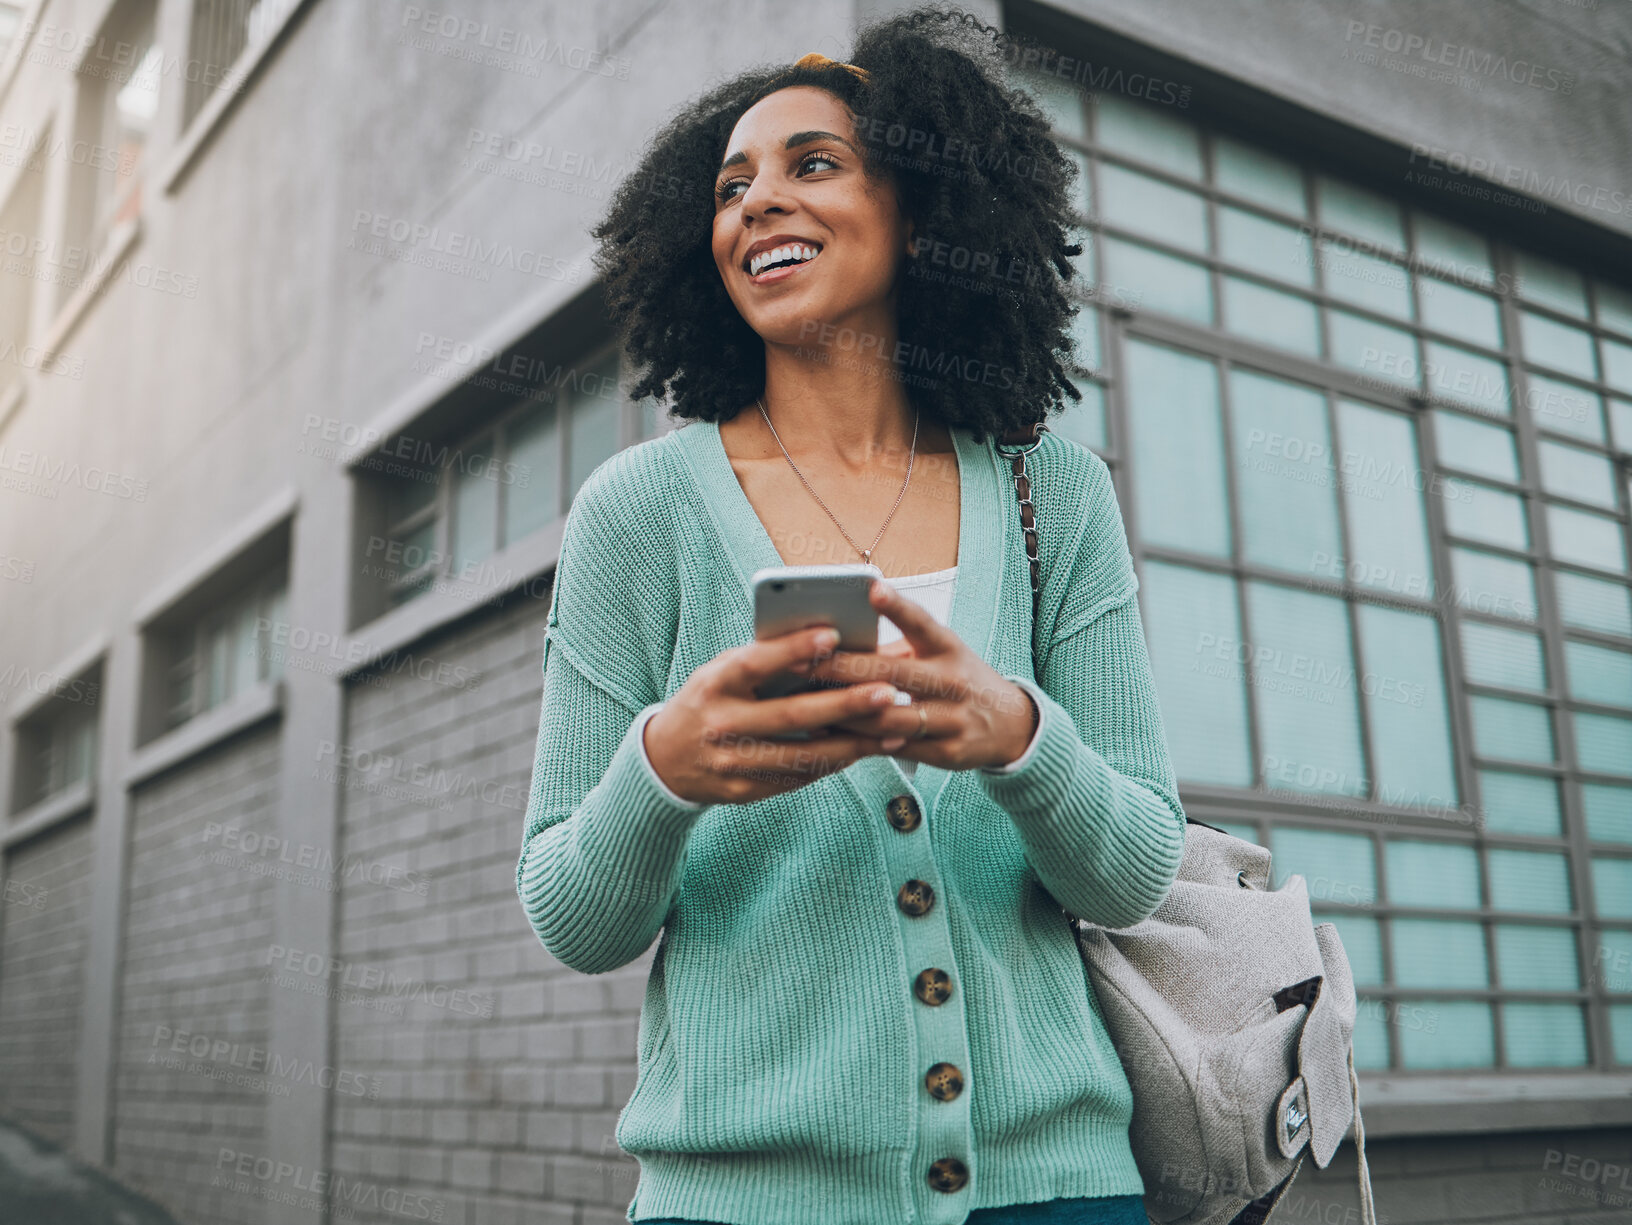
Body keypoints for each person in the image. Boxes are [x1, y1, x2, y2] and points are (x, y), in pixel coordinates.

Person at [516, 7, 1188, 1223]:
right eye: (730, 187)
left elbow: (1136, 869)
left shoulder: (1053, 494)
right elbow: (572, 913)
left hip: (1058, 1190)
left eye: (810, 165)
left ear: (924, 211)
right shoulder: (636, 511)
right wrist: (664, 768)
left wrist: (1020, 737)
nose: (757, 202)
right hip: (739, 1199)